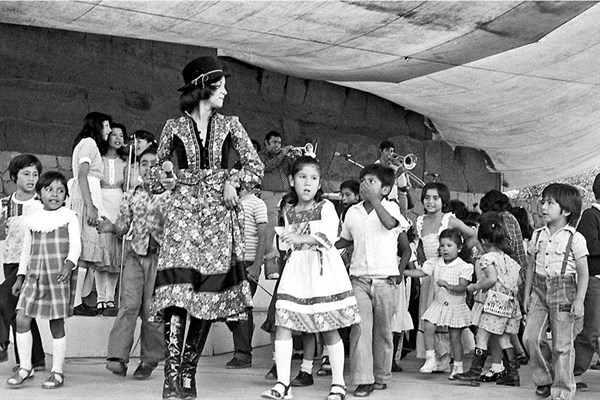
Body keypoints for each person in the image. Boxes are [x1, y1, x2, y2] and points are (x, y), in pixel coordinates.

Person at [147, 56, 264, 400]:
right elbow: (152, 176)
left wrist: (233, 181)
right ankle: (170, 377)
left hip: (217, 216)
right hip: (182, 215)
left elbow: (255, 167)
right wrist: (165, 177)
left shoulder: (231, 125)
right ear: (203, 87)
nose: (225, 91)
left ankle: (188, 373)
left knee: (206, 297)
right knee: (176, 292)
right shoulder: (173, 127)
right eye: (220, 85)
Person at [261, 156, 360, 400]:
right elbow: (286, 241)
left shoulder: (325, 207)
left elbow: (327, 237)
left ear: (319, 183)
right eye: (302, 177)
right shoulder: (288, 209)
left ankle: (338, 383)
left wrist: (299, 238)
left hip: (321, 271)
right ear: (292, 180)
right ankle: (283, 384)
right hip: (296, 271)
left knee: (328, 327)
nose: (308, 183)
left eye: (313, 178)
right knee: (284, 323)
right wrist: (281, 246)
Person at [337, 163, 410, 398]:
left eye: (371, 181)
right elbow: (346, 239)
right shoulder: (352, 212)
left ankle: (381, 376)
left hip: (385, 280)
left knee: (383, 332)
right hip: (358, 279)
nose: (364, 185)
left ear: (385, 189)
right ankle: (363, 380)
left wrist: (375, 201)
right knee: (360, 329)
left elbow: (389, 224)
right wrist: (322, 244)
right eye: (363, 180)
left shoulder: (391, 208)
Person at [98, 145, 167, 380]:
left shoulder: (171, 194)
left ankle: (149, 360)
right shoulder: (131, 194)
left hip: (160, 259)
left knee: (152, 309)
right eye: (143, 164)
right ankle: (117, 357)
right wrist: (111, 227)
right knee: (128, 305)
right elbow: (123, 225)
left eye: (154, 164)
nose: (148, 168)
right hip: (134, 256)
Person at [7, 171, 81, 389]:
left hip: (57, 276)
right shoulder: (32, 220)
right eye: (49, 190)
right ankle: (25, 367)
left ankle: (57, 371)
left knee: (56, 323)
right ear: (39, 193)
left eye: (60, 190)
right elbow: (26, 251)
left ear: (66, 195)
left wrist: (69, 264)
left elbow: (76, 245)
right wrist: (20, 277)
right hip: (34, 276)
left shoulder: (69, 217)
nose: (55, 194)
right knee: (22, 318)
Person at [523, 183, 588, 400]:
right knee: (530, 337)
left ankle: (562, 391)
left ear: (566, 210)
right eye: (543, 202)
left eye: (550, 203)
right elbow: (530, 267)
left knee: (562, 345)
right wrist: (527, 294)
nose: (543, 207)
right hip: (539, 290)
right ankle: (545, 379)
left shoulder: (575, 238)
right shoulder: (537, 236)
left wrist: (579, 300)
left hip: (564, 290)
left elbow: (583, 273)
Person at [415, 182, 480, 372]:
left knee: (447, 319)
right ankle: (435, 357)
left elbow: (472, 235)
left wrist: (460, 256)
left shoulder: (449, 220)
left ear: (443, 200)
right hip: (431, 276)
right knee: (429, 319)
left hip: (449, 276)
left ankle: (447, 358)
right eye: (427, 198)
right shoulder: (420, 221)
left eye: (435, 198)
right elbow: (420, 247)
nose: (430, 202)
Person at [454, 212, 523, 386]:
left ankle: (474, 372)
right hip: (509, 305)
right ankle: (513, 374)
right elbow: (519, 281)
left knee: (482, 337)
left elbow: (491, 279)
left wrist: (475, 286)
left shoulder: (487, 258)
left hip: (493, 305)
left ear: (483, 240)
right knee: (504, 338)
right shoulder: (508, 259)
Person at [404, 229, 473, 379]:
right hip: (439, 303)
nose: (445, 249)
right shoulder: (435, 262)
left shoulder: (464, 266)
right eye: (442, 245)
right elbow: (421, 272)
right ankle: (430, 358)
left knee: (455, 337)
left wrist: (448, 285)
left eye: (449, 245)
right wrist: (403, 272)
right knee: (428, 325)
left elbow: (463, 287)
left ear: (459, 248)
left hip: (455, 305)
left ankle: (458, 367)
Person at [478, 190, 529, 381]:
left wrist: (475, 287)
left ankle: (482, 369)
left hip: (502, 285)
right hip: (514, 277)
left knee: (487, 333)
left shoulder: (502, 220)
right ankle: (511, 368)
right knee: (505, 333)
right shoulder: (510, 218)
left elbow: (509, 248)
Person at [0, 155, 45, 370]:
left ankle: (2, 345)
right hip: (10, 261)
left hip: (32, 264)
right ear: (14, 177)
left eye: (35, 174)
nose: (31, 178)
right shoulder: (4, 204)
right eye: (26, 174)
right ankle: (33, 359)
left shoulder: (41, 204)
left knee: (4, 298)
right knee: (18, 311)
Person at [68, 111, 112, 317]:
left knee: (87, 250)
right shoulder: (89, 143)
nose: (109, 130)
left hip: (90, 196)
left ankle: (79, 298)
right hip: (86, 198)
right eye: (106, 126)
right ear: (97, 125)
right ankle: (76, 301)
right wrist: (90, 206)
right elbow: (82, 175)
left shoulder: (89, 144)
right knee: (84, 250)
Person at [225, 182, 268, 369]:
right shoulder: (230, 202)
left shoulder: (257, 204)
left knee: (241, 308)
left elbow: (263, 234)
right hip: (230, 263)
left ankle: (242, 354)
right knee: (230, 309)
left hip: (249, 262)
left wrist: (257, 264)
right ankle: (245, 337)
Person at [96, 122, 128, 316]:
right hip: (101, 201)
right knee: (102, 251)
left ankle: (110, 298)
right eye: (114, 134)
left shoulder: (125, 162)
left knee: (116, 251)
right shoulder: (98, 158)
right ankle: (100, 297)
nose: (117, 138)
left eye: (121, 135)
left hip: (118, 202)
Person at [573, 173, 600, 391]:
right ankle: (573, 373)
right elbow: (591, 246)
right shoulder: (591, 216)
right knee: (589, 330)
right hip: (594, 280)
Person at [258, 130, 297, 279]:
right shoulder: (261, 156)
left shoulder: (284, 157)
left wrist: (294, 159)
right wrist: (283, 154)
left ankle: (288, 267)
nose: (277, 145)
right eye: (274, 142)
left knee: (289, 228)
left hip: (285, 196)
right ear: (266, 143)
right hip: (269, 195)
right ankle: (271, 269)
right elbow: (268, 167)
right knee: (271, 230)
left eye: (279, 142)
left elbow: (292, 171)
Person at [375, 141, 411, 216]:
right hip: (381, 203)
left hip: (394, 204)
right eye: (387, 150)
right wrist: (397, 174)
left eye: (391, 151)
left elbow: (403, 189)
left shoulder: (395, 167)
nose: (389, 154)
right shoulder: (376, 167)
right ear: (381, 151)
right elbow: (383, 183)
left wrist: (400, 168)